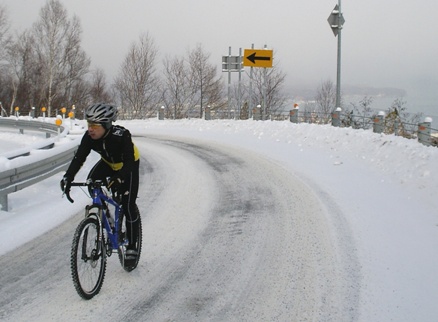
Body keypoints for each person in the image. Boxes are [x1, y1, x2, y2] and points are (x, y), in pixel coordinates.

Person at [60, 103, 140, 261]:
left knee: (128, 204)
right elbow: (79, 158)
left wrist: (119, 178)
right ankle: (105, 211)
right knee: (92, 183)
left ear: (106, 125)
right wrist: (68, 177)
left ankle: (131, 245)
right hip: (108, 164)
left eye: (95, 126)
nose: (90, 129)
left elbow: (129, 163)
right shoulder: (89, 137)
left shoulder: (122, 135)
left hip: (128, 166)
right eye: (89, 124)